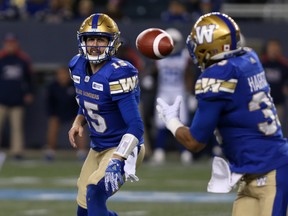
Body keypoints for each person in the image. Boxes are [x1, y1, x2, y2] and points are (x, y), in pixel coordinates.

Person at [156, 12, 288, 216]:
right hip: (250, 175)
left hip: (272, 172)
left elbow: (195, 142)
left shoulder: (218, 76)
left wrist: (172, 121)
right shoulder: (250, 58)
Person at [68, 13, 145, 216]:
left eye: (101, 39)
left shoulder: (119, 72)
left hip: (122, 147)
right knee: (83, 210)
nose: (94, 45)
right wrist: (78, 121)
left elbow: (136, 125)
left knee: (95, 192)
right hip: (98, 146)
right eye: (90, 39)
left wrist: (119, 157)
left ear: (112, 43)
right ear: (82, 41)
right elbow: (88, 100)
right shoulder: (76, 66)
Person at [150, 27, 194, 165]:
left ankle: (185, 151)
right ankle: (159, 150)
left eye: (175, 41)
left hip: (178, 92)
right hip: (163, 91)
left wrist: (191, 93)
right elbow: (153, 70)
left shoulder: (184, 56)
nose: (172, 44)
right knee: (161, 122)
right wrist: (149, 78)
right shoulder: (160, 56)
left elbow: (188, 76)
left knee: (182, 122)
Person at [0, 32, 34, 160]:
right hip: (1, 99)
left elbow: (29, 78)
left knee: (17, 128)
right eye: (8, 43)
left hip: (17, 99)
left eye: (12, 43)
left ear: (16, 44)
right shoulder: (1, 58)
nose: (10, 46)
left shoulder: (23, 59)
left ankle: (17, 152)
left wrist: (29, 93)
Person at [44, 65, 87, 161]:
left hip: (73, 113)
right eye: (60, 74)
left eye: (64, 74)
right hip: (57, 113)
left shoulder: (75, 85)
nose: (62, 76)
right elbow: (49, 103)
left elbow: (79, 102)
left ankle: (82, 153)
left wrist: (78, 118)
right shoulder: (52, 86)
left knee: (79, 128)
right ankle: (50, 152)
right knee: (52, 126)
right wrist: (52, 115)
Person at [261, 39, 288, 136]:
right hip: (261, 103)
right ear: (267, 49)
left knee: (276, 128)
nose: (274, 50)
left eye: (276, 48)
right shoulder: (261, 63)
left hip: (277, 103)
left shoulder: (284, 64)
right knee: (261, 128)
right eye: (271, 47)